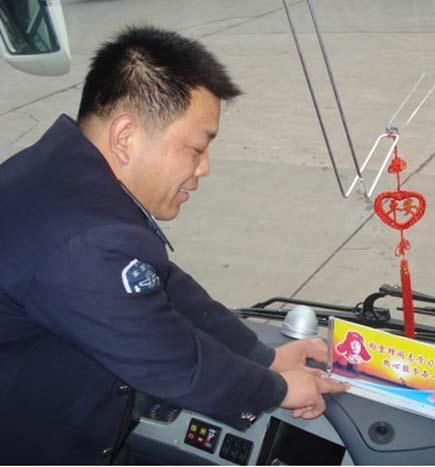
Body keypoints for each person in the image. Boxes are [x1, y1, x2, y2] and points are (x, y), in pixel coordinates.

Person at [0, 25, 346, 464]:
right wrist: (277, 389)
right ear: (125, 138)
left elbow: (161, 283)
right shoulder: (84, 241)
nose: (204, 169)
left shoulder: (63, 175)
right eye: (196, 149)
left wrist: (264, 356)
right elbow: (172, 363)